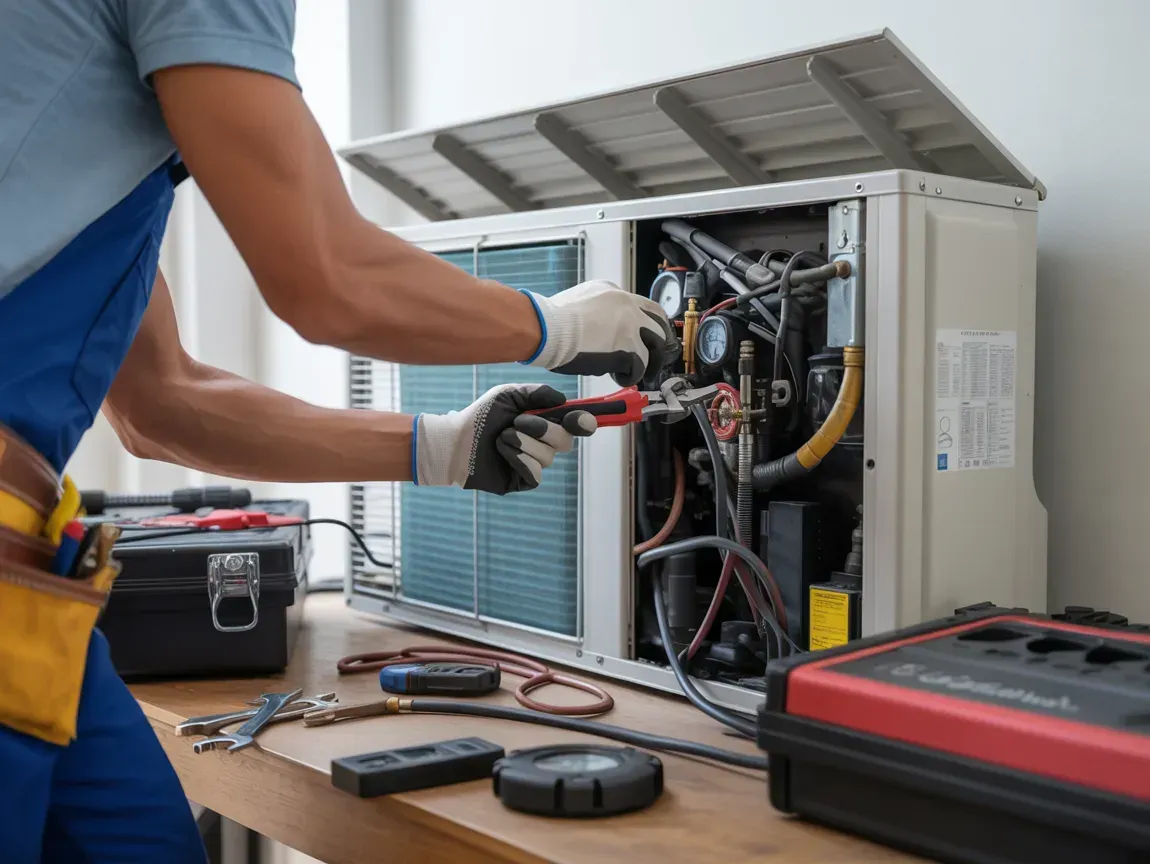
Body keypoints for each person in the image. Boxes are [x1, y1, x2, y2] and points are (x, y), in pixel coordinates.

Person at [0, 3, 674, 861]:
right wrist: (555, 324)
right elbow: (325, 274)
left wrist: (439, 446)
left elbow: (162, 402)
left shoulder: (71, 144)